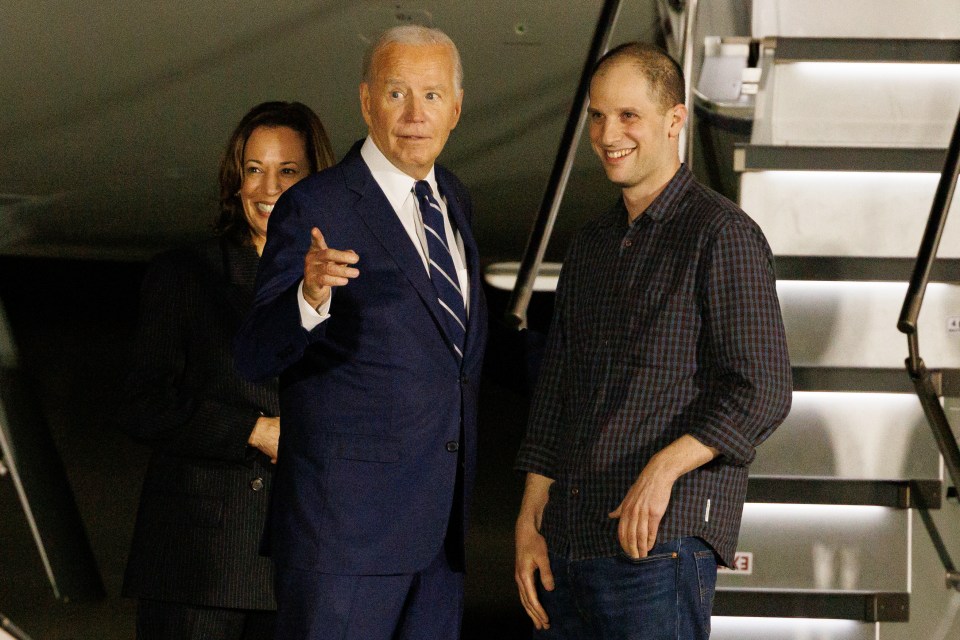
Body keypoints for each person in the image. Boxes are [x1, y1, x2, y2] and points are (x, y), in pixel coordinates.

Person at [514, 42, 793, 640]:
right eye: (597, 115)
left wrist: (663, 469)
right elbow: (558, 389)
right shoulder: (590, 246)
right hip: (569, 544)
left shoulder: (723, 234)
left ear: (674, 120)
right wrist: (530, 517)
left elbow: (764, 389)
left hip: (659, 548)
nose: (607, 132)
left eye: (628, 115)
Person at [233, 25, 487, 640]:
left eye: (431, 95)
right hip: (342, 542)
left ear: (456, 107)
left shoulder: (452, 197)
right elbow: (255, 350)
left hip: (438, 540)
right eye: (397, 93)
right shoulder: (316, 205)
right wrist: (309, 295)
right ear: (367, 101)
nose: (415, 113)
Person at [119, 101, 335, 640]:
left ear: (316, 180)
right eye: (254, 170)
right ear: (235, 180)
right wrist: (253, 431)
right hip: (198, 566)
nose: (268, 189)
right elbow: (143, 404)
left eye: (288, 171)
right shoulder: (185, 275)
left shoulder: (348, 282)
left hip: (304, 564)